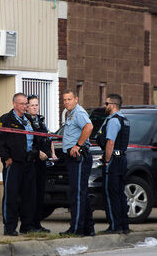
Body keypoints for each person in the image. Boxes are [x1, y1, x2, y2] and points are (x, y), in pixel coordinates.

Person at [0, 93, 37, 236]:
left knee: (28, 196)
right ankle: (10, 227)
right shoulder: (6, 119)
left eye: (26, 104)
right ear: (15, 104)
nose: (25, 107)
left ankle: (27, 226)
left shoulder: (29, 120)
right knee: (11, 196)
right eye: (22, 104)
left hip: (28, 163)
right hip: (14, 164)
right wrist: (6, 157)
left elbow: (35, 138)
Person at [59, 89, 95, 237]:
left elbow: (89, 127)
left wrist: (77, 145)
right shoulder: (71, 113)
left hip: (79, 157)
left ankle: (76, 229)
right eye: (64, 100)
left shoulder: (78, 113)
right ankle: (88, 228)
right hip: (73, 158)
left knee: (77, 194)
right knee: (82, 194)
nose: (66, 102)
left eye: (69, 99)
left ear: (76, 99)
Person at [96, 94, 130, 234]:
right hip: (122, 159)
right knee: (120, 193)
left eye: (106, 103)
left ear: (113, 105)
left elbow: (110, 142)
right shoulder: (124, 120)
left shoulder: (114, 121)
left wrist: (107, 160)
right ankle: (123, 225)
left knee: (111, 193)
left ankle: (114, 225)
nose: (105, 106)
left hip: (114, 161)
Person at [24, 94, 56, 233]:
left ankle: (37, 224)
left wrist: (52, 153)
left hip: (42, 162)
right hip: (31, 161)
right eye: (32, 105)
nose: (35, 107)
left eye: (36, 105)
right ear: (27, 107)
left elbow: (48, 137)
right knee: (30, 194)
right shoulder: (25, 121)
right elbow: (26, 142)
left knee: (39, 194)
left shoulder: (41, 120)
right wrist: (38, 153)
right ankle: (28, 225)